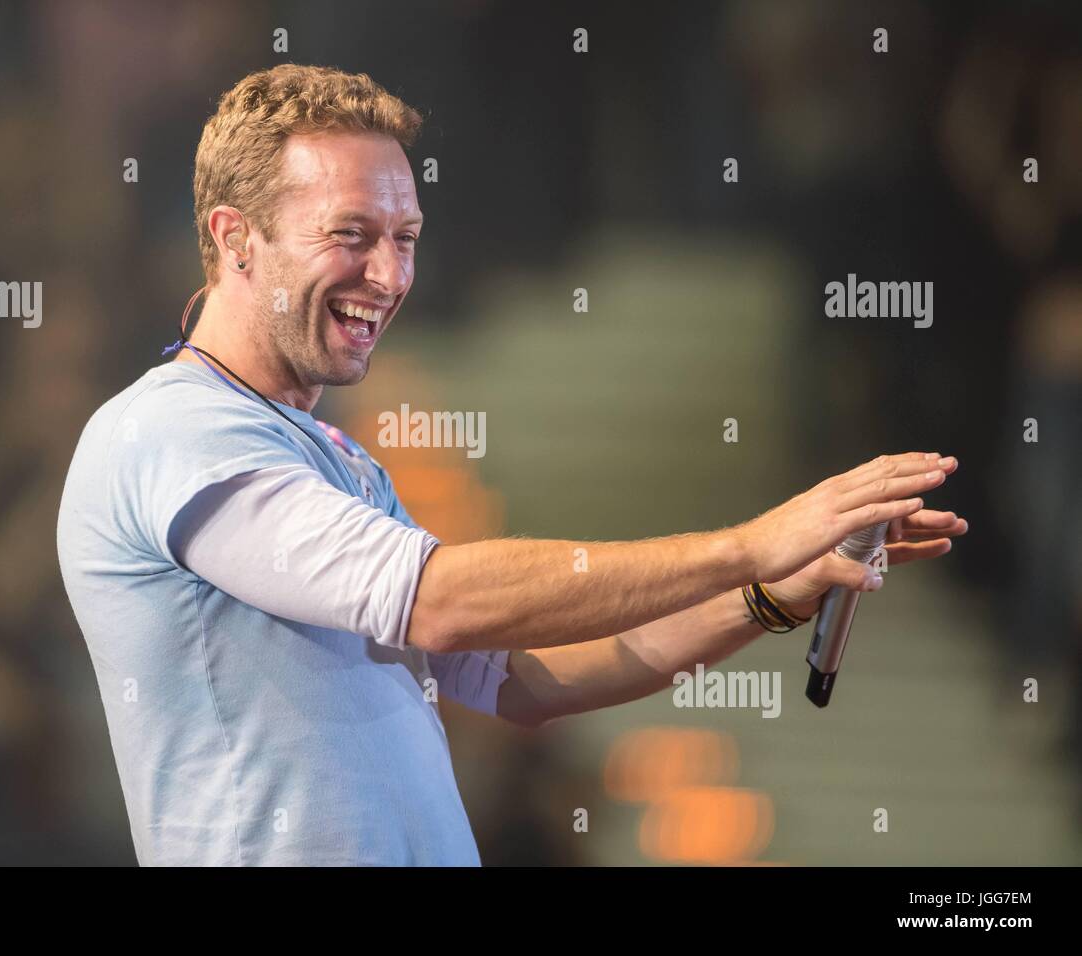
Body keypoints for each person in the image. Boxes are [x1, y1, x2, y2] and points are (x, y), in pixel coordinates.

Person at [56, 63, 968, 866]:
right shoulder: (168, 431)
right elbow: (440, 601)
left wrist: (773, 590)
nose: (389, 274)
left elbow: (523, 678)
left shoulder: (337, 461)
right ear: (234, 237)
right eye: (351, 234)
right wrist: (751, 543)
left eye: (405, 237)